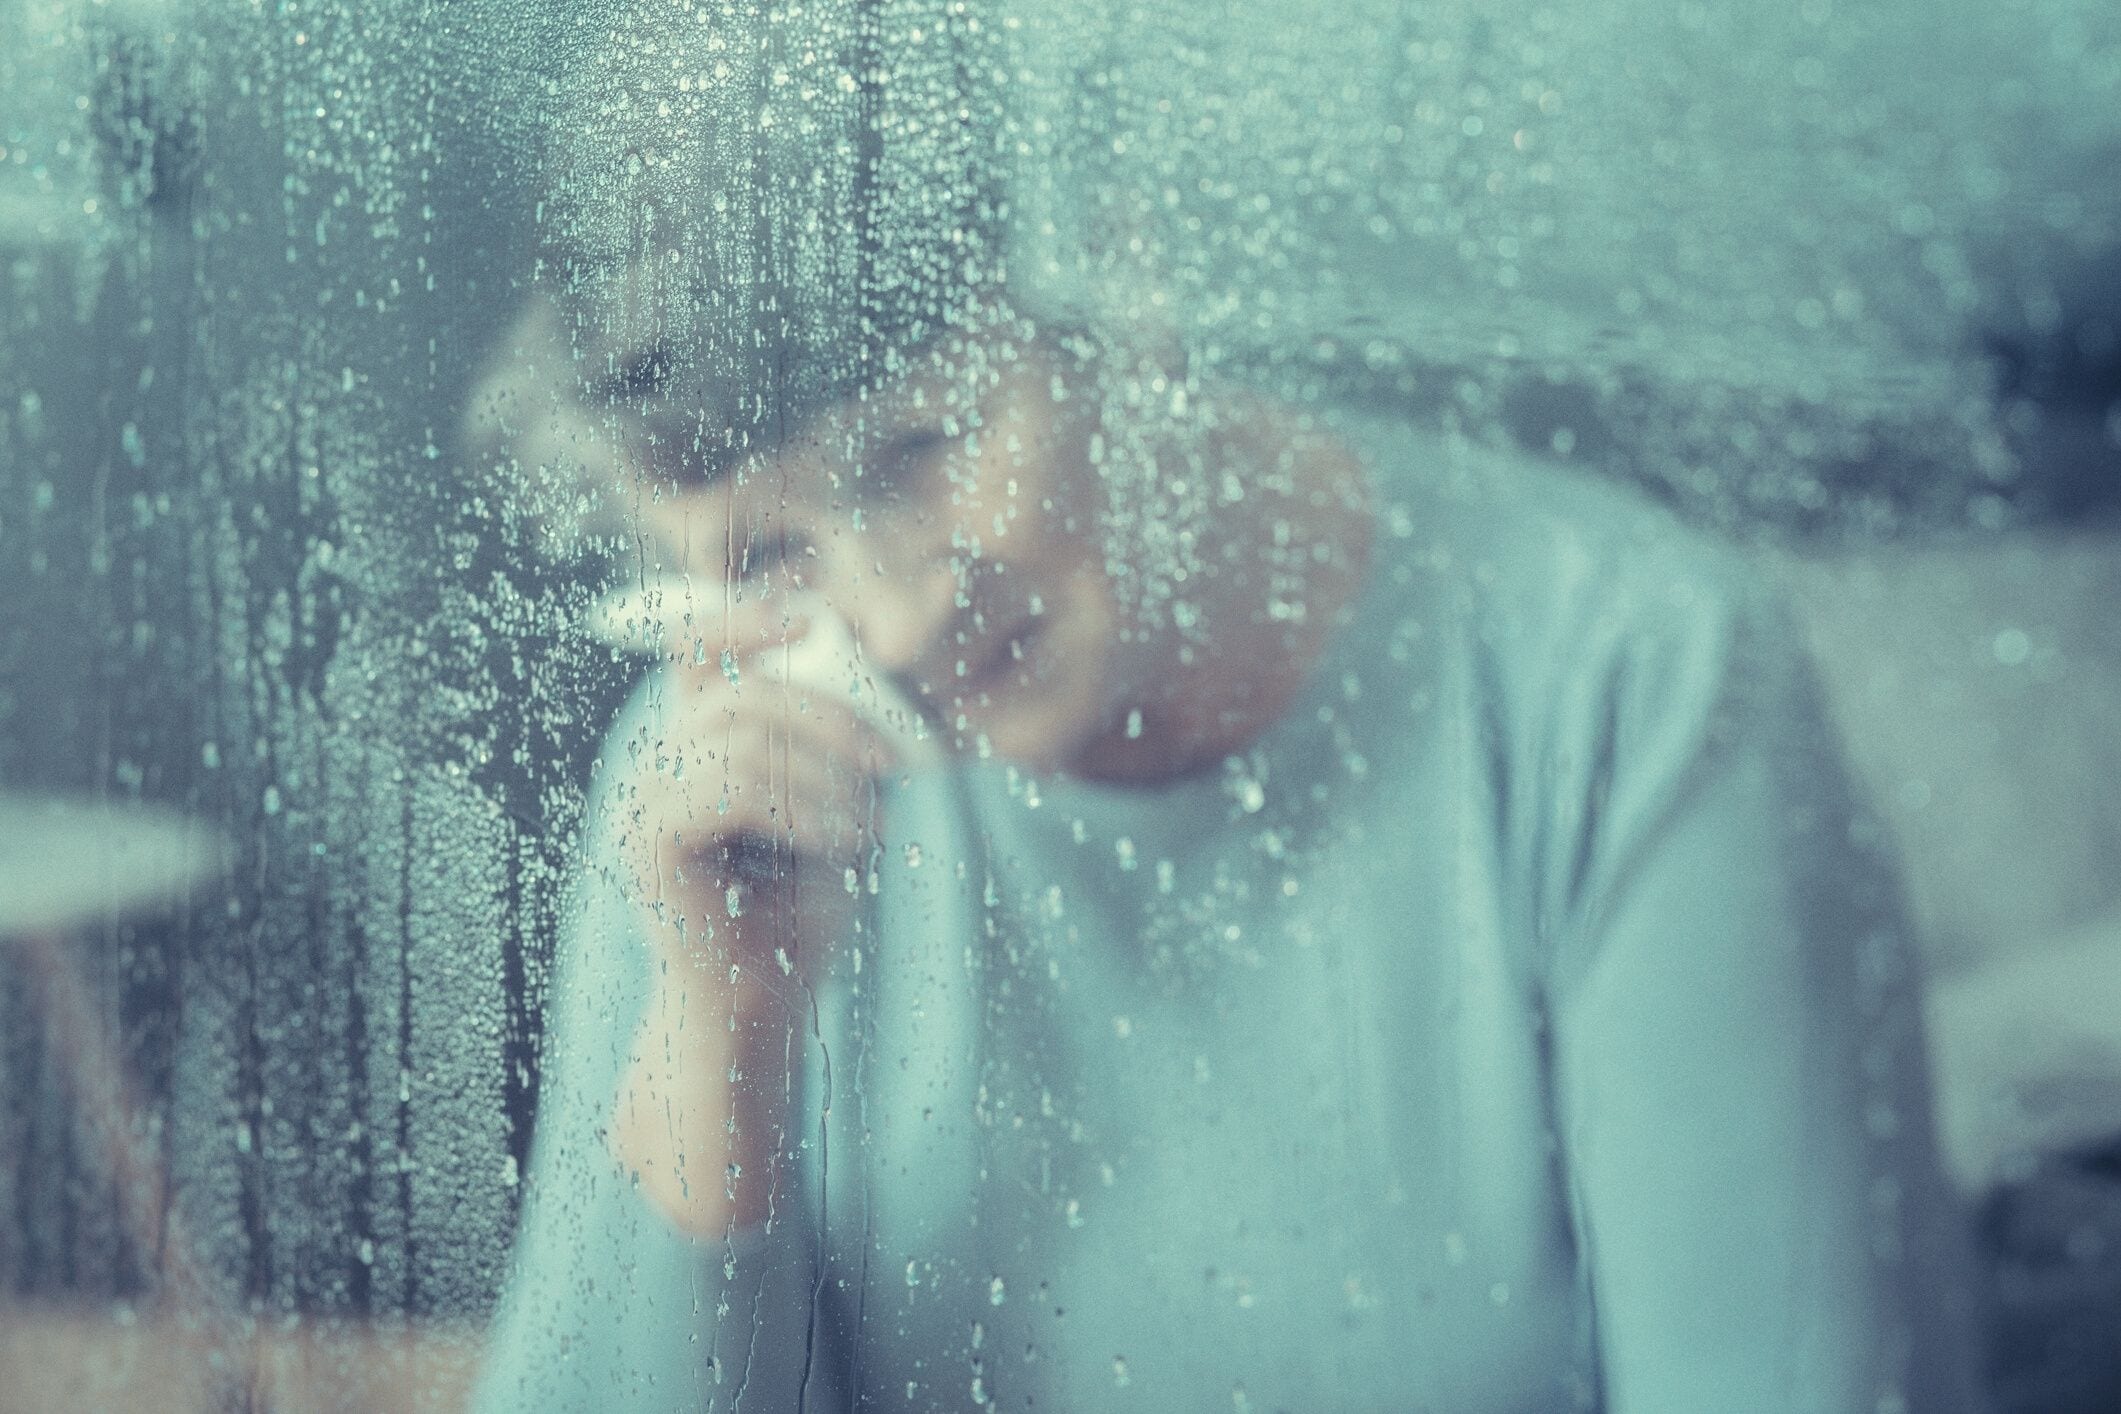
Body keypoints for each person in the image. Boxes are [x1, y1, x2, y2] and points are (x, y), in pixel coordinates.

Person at [468, 2, 1980, 1408]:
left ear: (1121, 293)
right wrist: (716, 1031)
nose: (895, 611)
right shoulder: (729, 794)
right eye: (775, 551)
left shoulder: (1632, 680)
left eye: (917, 451)